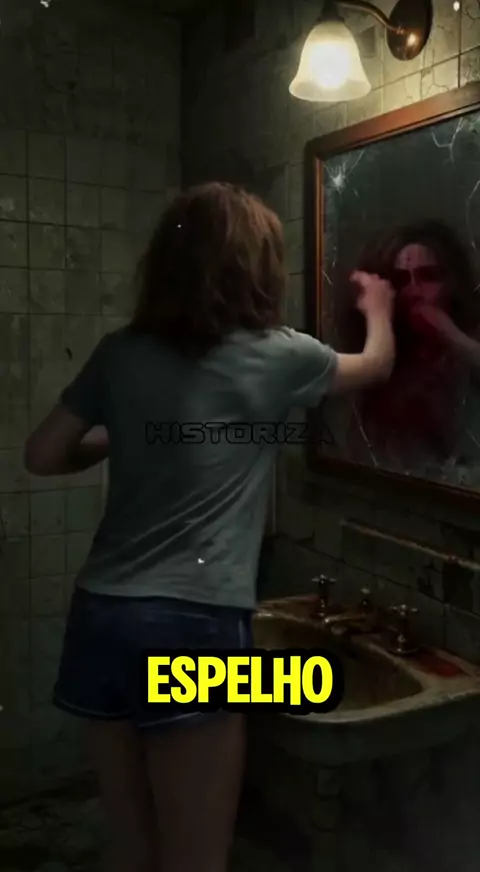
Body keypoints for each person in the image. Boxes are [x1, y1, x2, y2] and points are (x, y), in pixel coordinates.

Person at [23, 182, 395, 872]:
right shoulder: (281, 355)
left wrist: (127, 435)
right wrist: (377, 307)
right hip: (192, 622)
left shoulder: (120, 353)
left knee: (131, 848)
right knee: (194, 858)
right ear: (256, 268)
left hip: (101, 615)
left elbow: (42, 454)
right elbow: (377, 365)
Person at [346, 220, 480, 468]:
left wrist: (451, 335)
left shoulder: (468, 346)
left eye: (429, 276)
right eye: (400, 280)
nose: (414, 291)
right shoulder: (383, 356)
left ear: (453, 283)